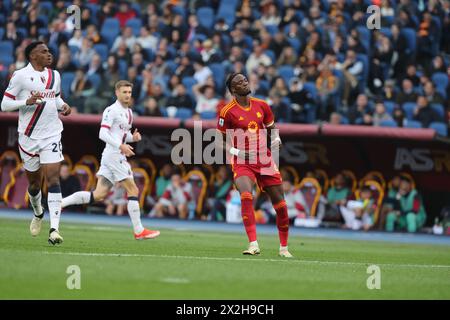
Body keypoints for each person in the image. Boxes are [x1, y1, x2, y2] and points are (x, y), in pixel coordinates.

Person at [60, 80, 160, 240]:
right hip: (114, 155)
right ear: (117, 93)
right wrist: (121, 146)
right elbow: (103, 134)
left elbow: (119, 135)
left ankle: (60, 203)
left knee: (99, 195)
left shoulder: (129, 113)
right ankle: (139, 230)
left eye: (129, 92)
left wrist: (132, 138)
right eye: (124, 92)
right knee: (133, 190)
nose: (127, 95)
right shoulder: (111, 110)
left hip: (112, 154)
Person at [1, 41, 72, 245]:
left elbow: (56, 99)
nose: (49, 54)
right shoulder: (20, 76)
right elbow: (5, 105)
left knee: (53, 179)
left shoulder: (55, 75)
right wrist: (26, 102)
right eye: (44, 52)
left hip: (52, 134)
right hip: (29, 137)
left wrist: (63, 106)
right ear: (33, 56)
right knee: (34, 185)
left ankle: (54, 230)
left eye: (49, 51)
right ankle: (38, 212)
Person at [216, 73, 293, 258]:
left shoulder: (262, 105)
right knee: (246, 195)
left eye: (245, 79)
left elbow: (272, 129)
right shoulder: (227, 111)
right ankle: (253, 244)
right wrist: (238, 152)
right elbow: (219, 141)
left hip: (264, 159)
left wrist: (277, 139)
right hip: (243, 161)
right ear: (234, 90)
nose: (245, 82)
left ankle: (284, 248)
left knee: (281, 205)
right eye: (240, 82)